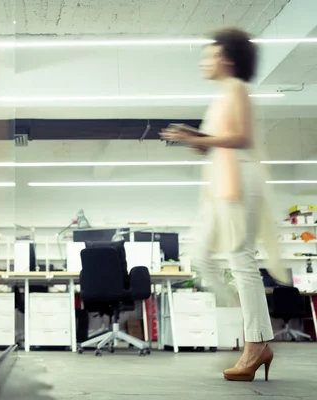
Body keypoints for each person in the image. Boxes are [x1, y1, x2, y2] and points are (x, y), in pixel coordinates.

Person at [161, 28, 287, 382]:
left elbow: (242, 138)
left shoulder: (238, 89)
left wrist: (201, 138)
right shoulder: (220, 96)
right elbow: (219, 143)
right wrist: (197, 139)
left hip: (240, 181)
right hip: (222, 183)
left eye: (210, 54)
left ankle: (255, 343)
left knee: (240, 259)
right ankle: (248, 317)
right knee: (201, 255)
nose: (205, 60)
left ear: (226, 58)